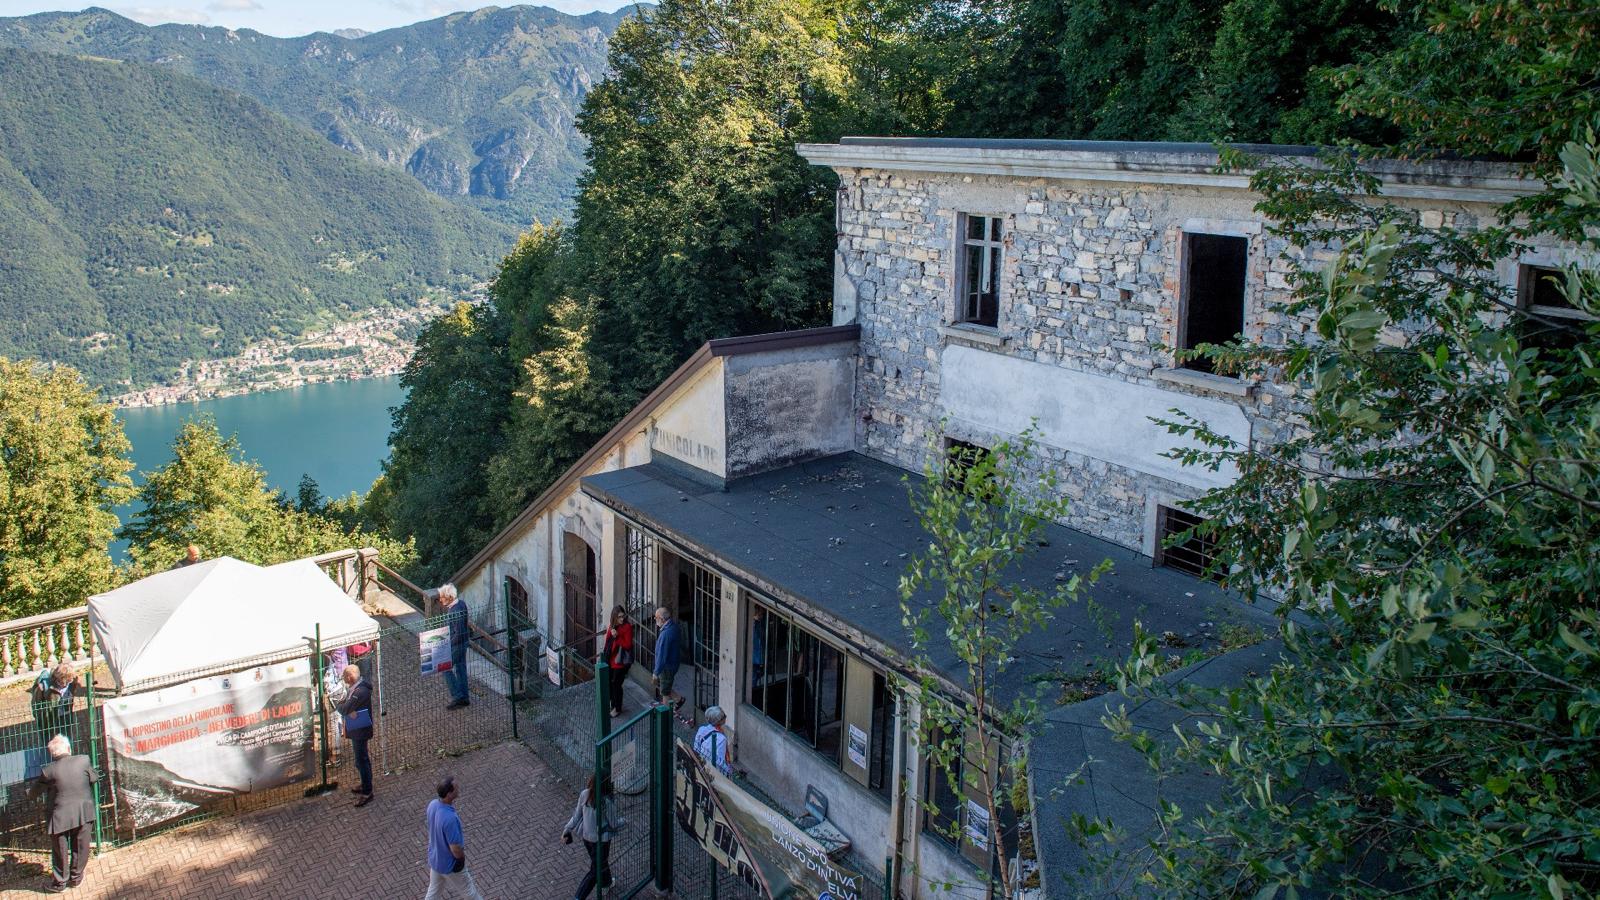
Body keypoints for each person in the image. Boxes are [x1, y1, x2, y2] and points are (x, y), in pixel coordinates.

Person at [31, 735, 98, 893]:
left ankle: (60, 882)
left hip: (59, 816)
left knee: (60, 849)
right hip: (83, 811)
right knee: (81, 846)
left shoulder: (48, 771)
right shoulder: (83, 760)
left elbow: (34, 793)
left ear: (52, 754)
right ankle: (76, 878)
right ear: (69, 748)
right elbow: (94, 778)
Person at [561, 774, 622, 900]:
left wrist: (567, 829)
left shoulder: (584, 794)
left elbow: (577, 815)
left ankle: (607, 882)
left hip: (587, 838)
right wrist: (624, 821)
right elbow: (614, 824)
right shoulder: (606, 802)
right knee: (596, 869)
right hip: (601, 841)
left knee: (600, 862)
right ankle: (578, 897)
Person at [423, 775, 484, 900]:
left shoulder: (432, 805)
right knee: (470, 893)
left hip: (436, 860)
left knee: (433, 893)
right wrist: (461, 860)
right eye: (456, 788)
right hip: (449, 864)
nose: (458, 788)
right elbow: (455, 848)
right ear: (449, 794)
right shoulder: (450, 818)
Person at [338, 664, 375, 807]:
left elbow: (345, 708)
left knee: (361, 760)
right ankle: (366, 784)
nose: (344, 680)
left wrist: (341, 706)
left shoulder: (359, 692)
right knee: (361, 760)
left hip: (360, 730)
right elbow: (348, 707)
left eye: (345, 677)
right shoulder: (358, 690)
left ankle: (367, 791)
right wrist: (347, 708)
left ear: (350, 677)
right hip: (358, 728)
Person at [30, 663, 79, 747]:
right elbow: (36, 705)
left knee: (66, 741)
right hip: (48, 719)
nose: (68, 683)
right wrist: (40, 718)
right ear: (59, 678)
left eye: (70, 680)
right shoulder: (43, 686)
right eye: (66, 681)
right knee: (49, 743)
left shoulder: (72, 681)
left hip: (65, 716)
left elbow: (72, 693)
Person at [652, 606, 685, 722]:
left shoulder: (666, 634)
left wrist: (656, 672)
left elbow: (662, 655)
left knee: (664, 691)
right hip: (673, 664)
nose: (655, 619)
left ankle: (664, 716)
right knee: (665, 685)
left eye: (656, 617)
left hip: (666, 667)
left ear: (661, 619)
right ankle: (679, 699)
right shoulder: (674, 626)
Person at [441, 584, 471, 710]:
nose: (441, 599)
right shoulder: (461, 604)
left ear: (449, 597)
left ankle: (458, 695)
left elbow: (457, 633)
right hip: (463, 642)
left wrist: (446, 645)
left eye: (442, 597)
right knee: (460, 668)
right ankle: (464, 696)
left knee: (444, 668)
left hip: (457, 644)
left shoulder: (455, 610)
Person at [600, 606, 633, 718]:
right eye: (619, 617)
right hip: (611, 660)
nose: (622, 619)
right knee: (610, 683)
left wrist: (617, 637)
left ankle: (617, 708)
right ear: (614, 617)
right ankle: (613, 704)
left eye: (623, 616)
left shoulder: (627, 627)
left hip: (621, 662)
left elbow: (628, 645)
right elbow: (607, 643)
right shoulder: (612, 626)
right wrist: (604, 657)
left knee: (617, 685)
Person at [692, 706, 735, 776]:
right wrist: (728, 770)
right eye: (724, 716)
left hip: (702, 765)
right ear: (720, 720)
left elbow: (696, 748)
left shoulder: (701, 729)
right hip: (714, 773)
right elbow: (720, 761)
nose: (725, 717)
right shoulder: (721, 739)